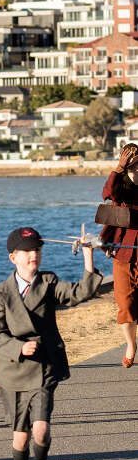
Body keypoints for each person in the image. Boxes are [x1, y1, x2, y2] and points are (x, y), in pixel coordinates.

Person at [0, 227, 102, 460]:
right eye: (27, 251)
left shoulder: (48, 282)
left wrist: (88, 259)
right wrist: (18, 347)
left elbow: (78, 293)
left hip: (43, 369)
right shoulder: (1, 292)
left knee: (41, 429)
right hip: (14, 370)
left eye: (37, 249)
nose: (33, 255)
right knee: (21, 434)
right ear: (13, 257)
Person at [100, 143, 138, 369]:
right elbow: (110, 193)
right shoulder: (121, 184)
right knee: (125, 304)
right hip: (123, 252)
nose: (132, 161)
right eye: (128, 158)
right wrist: (119, 168)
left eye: (135, 157)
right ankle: (131, 344)